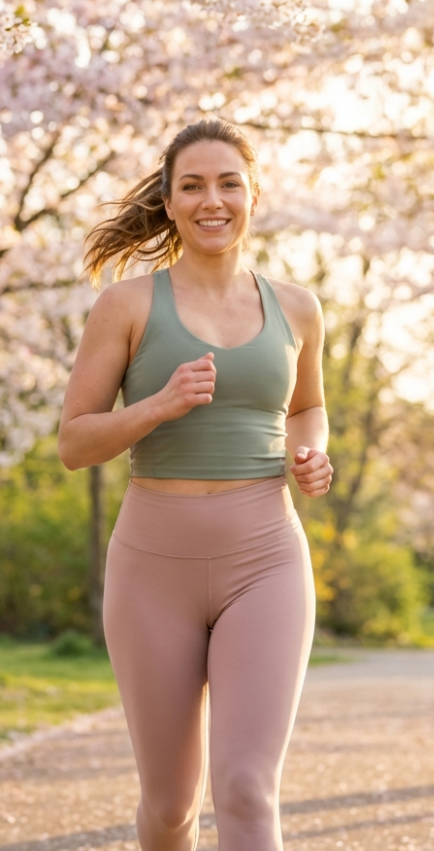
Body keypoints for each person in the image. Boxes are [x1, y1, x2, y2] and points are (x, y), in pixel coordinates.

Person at [58, 118, 333, 851]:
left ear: (253, 194)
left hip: (266, 557)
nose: (213, 200)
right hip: (153, 566)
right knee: (172, 805)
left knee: (246, 790)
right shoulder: (127, 306)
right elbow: (74, 442)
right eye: (193, 186)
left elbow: (308, 408)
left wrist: (311, 455)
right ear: (171, 201)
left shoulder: (297, 307)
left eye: (229, 183)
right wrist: (157, 406)